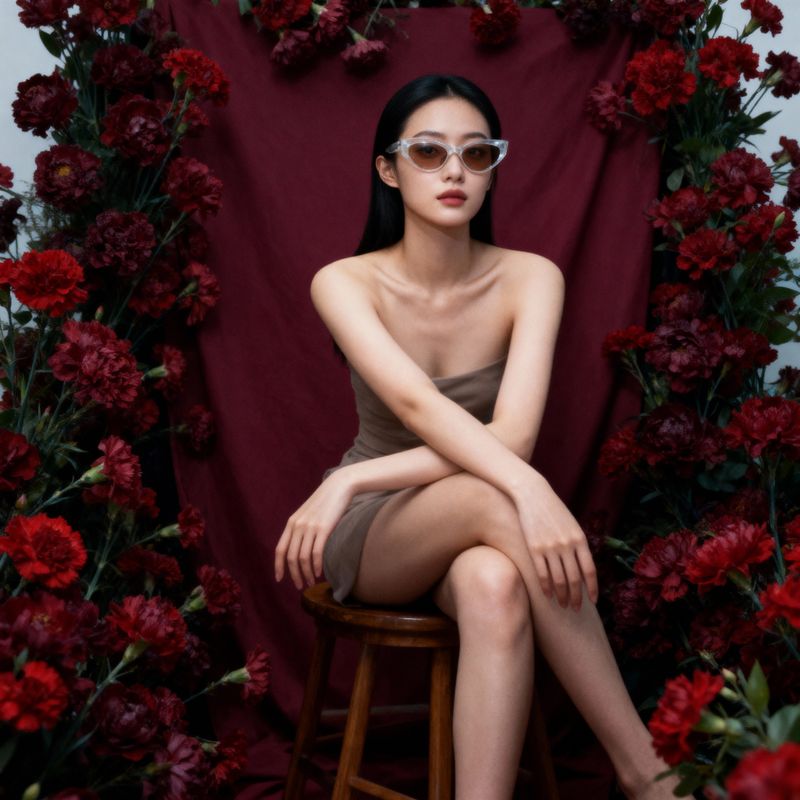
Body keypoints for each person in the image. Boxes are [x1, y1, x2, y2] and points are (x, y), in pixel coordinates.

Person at [275, 74, 679, 800]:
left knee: (495, 585)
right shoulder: (344, 281)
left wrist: (355, 477)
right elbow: (417, 406)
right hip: (381, 529)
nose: (455, 171)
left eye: (477, 153)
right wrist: (522, 491)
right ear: (389, 170)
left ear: (493, 169)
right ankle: (647, 774)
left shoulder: (531, 278)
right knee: (497, 498)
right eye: (429, 152)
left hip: (472, 505)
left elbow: (512, 440)